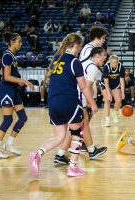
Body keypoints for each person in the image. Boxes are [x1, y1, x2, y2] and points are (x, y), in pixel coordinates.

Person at [28, 33, 96, 177]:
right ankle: (73, 167)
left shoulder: (55, 60)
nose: (80, 49)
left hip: (52, 102)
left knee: (59, 137)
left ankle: (38, 154)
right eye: (80, 46)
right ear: (77, 46)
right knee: (77, 132)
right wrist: (93, 104)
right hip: (68, 100)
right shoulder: (74, 61)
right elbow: (84, 87)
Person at [57, 27, 107, 156]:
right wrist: (91, 101)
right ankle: (85, 150)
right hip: (82, 93)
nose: (104, 41)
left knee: (79, 126)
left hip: (83, 92)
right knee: (80, 125)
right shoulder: (89, 56)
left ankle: (65, 152)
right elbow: (86, 82)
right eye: (103, 38)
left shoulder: (88, 54)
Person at [0, 32, 34, 158]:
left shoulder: (12, 56)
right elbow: (7, 77)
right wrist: (22, 81)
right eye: (19, 41)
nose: (21, 43)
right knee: (8, 119)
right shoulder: (7, 56)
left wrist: (21, 81)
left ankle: (9, 143)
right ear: (12, 42)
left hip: (13, 90)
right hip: (6, 90)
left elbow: (12, 75)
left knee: (23, 117)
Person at [101, 55, 125, 127]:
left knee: (118, 100)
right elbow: (106, 81)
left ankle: (115, 113)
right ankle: (107, 120)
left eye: (116, 62)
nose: (114, 64)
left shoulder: (121, 67)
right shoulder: (106, 67)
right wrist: (109, 93)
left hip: (116, 84)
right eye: (113, 62)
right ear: (110, 62)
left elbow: (122, 80)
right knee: (108, 100)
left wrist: (123, 92)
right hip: (106, 84)